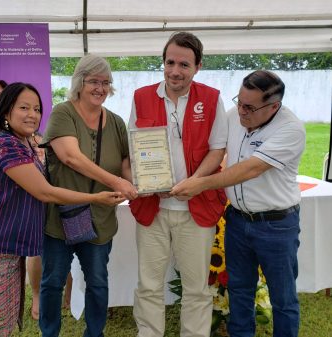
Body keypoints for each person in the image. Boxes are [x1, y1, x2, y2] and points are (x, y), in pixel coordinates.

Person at [0, 82, 124, 337]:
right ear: (5, 111)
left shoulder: (23, 143)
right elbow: (44, 191)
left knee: (0, 326)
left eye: (36, 108)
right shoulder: (4, 145)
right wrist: (96, 197)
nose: (32, 114)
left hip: (5, 253)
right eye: (23, 107)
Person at [171, 70, 305, 337]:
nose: (241, 111)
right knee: (239, 290)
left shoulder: (291, 128)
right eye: (239, 102)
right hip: (237, 220)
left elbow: (251, 169)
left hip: (276, 225)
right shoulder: (234, 116)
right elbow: (213, 147)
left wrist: (200, 184)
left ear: (274, 106)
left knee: (283, 298)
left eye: (250, 107)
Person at [128, 31, 228, 337]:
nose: (175, 71)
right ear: (163, 63)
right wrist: (144, 179)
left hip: (196, 208)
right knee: (148, 284)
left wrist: (196, 183)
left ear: (197, 66)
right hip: (153, 207)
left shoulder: (211, 98)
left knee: (197, 287)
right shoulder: (141, 96)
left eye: (184, 64)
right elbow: (135, 146)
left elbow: (218, 148)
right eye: (170, 62)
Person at [39, 54, 138, 337]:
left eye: (106, 82)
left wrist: (137, 186)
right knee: (52, 282)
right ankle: (49, 333)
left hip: (100, 219)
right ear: (80, 83)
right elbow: (71, 157)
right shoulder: (62, 113)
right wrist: (117, 181)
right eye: (94, 81)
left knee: (98, 281)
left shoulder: (116, 122)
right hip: (62, 217)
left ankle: (95, 333)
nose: (100, 88)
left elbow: (126, 163)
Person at [26, 132, 73, 320]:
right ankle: (37, 296)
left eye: (41, 147)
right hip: (34, 211)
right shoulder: (22, 165)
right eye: (34, 148)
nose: (38, 151)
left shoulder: (58, 161)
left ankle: (70, 294)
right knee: (35, 252)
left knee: (66, 249)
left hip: (60, 211)